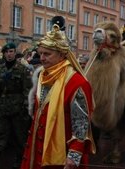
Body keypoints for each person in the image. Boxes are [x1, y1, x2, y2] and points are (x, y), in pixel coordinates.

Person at [20, 24, 95, 169]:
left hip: (62, 155)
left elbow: (81, 124)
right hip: (37, 149)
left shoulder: (77, 82)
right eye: (40, 53)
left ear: (62, 54)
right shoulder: (42, 75)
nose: (42, 58)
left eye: (47, 54)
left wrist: (74, 155)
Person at [0, 42, 32, 168]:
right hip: (3, 109)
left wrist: (25, 108)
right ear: (4, 54)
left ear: (15, 52)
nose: (9, 54)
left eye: (11, 51)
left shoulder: (23, 69)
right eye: (6, 52)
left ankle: (19, 164)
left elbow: (27, 90)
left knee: (20, 139)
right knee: (1, 138)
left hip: (18, 110)